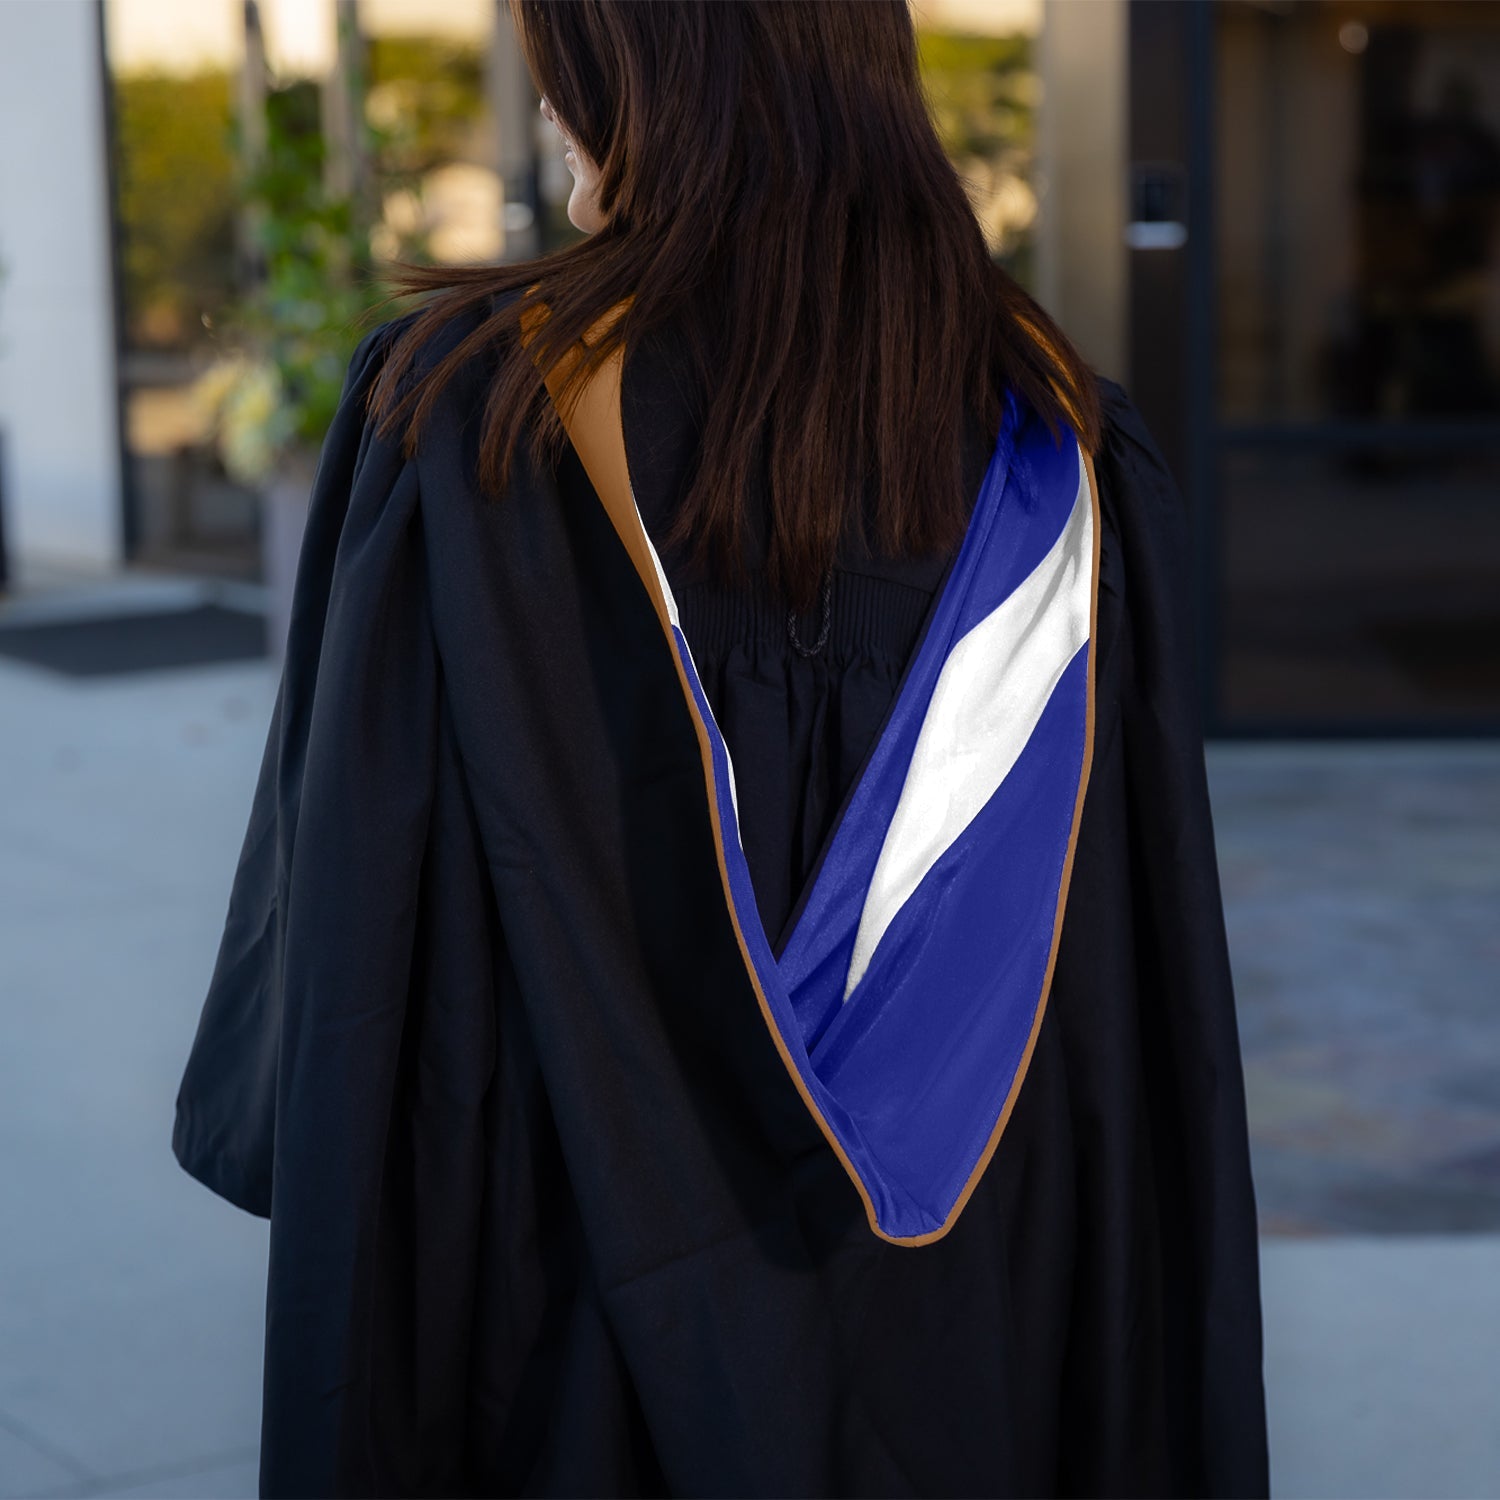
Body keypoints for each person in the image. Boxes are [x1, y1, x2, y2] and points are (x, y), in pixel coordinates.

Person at [172, 2, 1268, 1495]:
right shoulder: (1058, 442)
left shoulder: (473, 422)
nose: (547, 103)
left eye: (566, 56)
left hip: (566, 1313)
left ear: (656, 70)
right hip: (989, 1318)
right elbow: (1137, 1006)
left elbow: (359, 946)